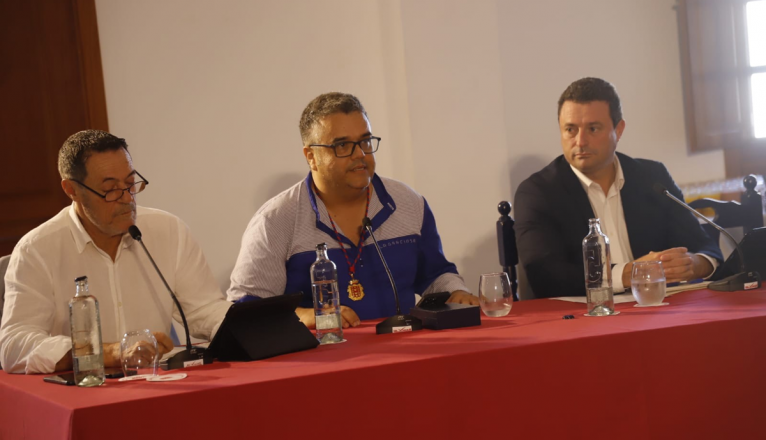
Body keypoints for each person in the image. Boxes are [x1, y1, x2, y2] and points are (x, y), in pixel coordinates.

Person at [228, 92, 476, 328]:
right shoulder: (275, 220)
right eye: (343, 145)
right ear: (311, 156)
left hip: (404, 346)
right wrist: (304, 316)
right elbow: (245, 312)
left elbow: (435, 275)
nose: (360, 154)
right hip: (323, 352)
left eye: (365, 141)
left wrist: (456, 291)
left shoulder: (408, 202)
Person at [0, 130, 231, 374]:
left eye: (130, 184)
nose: (127, 199)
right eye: (110, 189)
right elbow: (14, 345)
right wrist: (108, 353)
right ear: (72, 190)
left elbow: (204, 310)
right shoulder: (36, 250)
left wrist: (245, 324)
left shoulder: (169, 231)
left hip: (159, 383)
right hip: (85, 387)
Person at [514, 77, 723, 298]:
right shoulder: (538, 193)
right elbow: (545, 276)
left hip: (656, 307)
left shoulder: (652, 177)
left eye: (593, 128)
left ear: (619, 130)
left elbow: (706, 247)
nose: (580, 141)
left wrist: (693, 264)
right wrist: (629, 274)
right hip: (585, 313)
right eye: (570, 130)